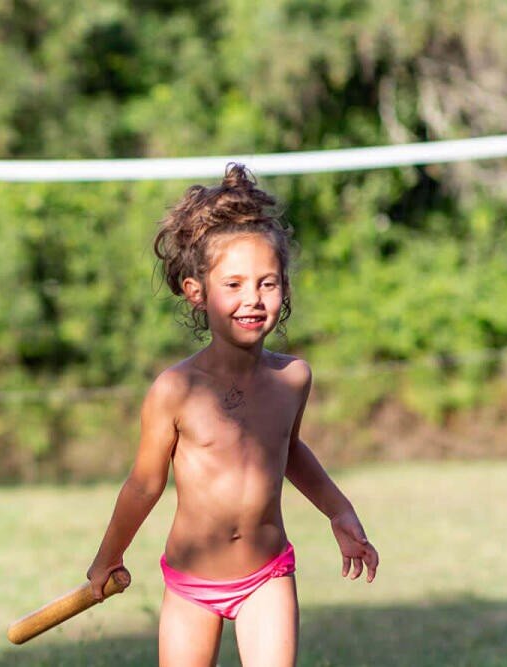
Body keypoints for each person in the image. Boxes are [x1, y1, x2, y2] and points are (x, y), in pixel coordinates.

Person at [82, 164, 380, 666]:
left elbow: (286, 450)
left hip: (266, 575)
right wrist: (108, 555)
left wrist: (338, 509)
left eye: (267, 283)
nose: (253, 299)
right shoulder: (174, 389)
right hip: (190, 584)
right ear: (196, 291)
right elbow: (143, 485)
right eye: (235, 284)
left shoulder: (293, 379)